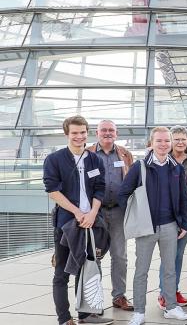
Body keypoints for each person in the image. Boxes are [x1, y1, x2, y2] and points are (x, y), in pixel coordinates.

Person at [119, 126, 187, 325]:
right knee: (141, 270)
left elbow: (184, 199)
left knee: (170, 269)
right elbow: (124, 194)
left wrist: (184, 223)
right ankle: (139, 312)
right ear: (151, 143)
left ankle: (170, 307)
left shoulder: (176, 168)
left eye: (166, 141)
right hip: (146, 228)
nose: (163, 144)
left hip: (170, 226)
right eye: (159, 141)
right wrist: (135, 218)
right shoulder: (140, 167)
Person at [45, 116, 113, 325]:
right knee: (62, 273)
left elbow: (100, 188)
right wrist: (77, 212)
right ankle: (64, 318)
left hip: (91, 222)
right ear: (66, 134)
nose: (79, 136)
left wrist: (92, 213)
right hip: (67, 224)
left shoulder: (94, 159)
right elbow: (52, 191)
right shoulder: (54, 159)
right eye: (74, 133)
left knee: (87, 268)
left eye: (82, 132)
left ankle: (85, 314)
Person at [86, 120, 135, 312]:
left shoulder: (124, 153)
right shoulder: (88, 153)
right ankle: (94, 297)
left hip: (118, 211)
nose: (107, 133)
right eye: (104, 130)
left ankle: (119, 296)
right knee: (94, 255)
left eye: (111, 130)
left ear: (116, 133)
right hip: (94, 213)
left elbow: (132, 179)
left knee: (120, 256)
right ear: (97, 133)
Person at [157, 126, 187, 309]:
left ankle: (173, 290)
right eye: (176, 139)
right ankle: (164, 293)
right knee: (168, 255)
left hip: (186, 212)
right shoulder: (163, 158)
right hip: (166, 213)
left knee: (178, 254)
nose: (180, 142)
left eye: (183, 139)